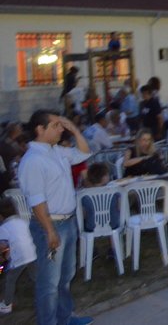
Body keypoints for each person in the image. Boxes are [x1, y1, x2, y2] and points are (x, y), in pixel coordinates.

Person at [18, 111, 93, 325]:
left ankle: (65, 318)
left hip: (68, 222)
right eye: (56, 125)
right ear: (40, 129)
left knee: (65, 277)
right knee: (49, 283)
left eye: (62, 125)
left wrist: (74, 129)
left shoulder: (57, 151)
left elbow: (84, 152)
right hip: (50, 225)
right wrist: (50, 231)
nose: (61, 129)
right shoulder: (33, 160)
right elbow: (37, 201)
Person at [0, 197, 36, 316]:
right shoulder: (22, 221)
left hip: (18, 259)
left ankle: (7, 304)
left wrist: (3, 262)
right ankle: (42, 296)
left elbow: (3, 247)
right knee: (36, 277)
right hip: (32, 254)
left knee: (10, 280)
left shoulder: (3, 228)